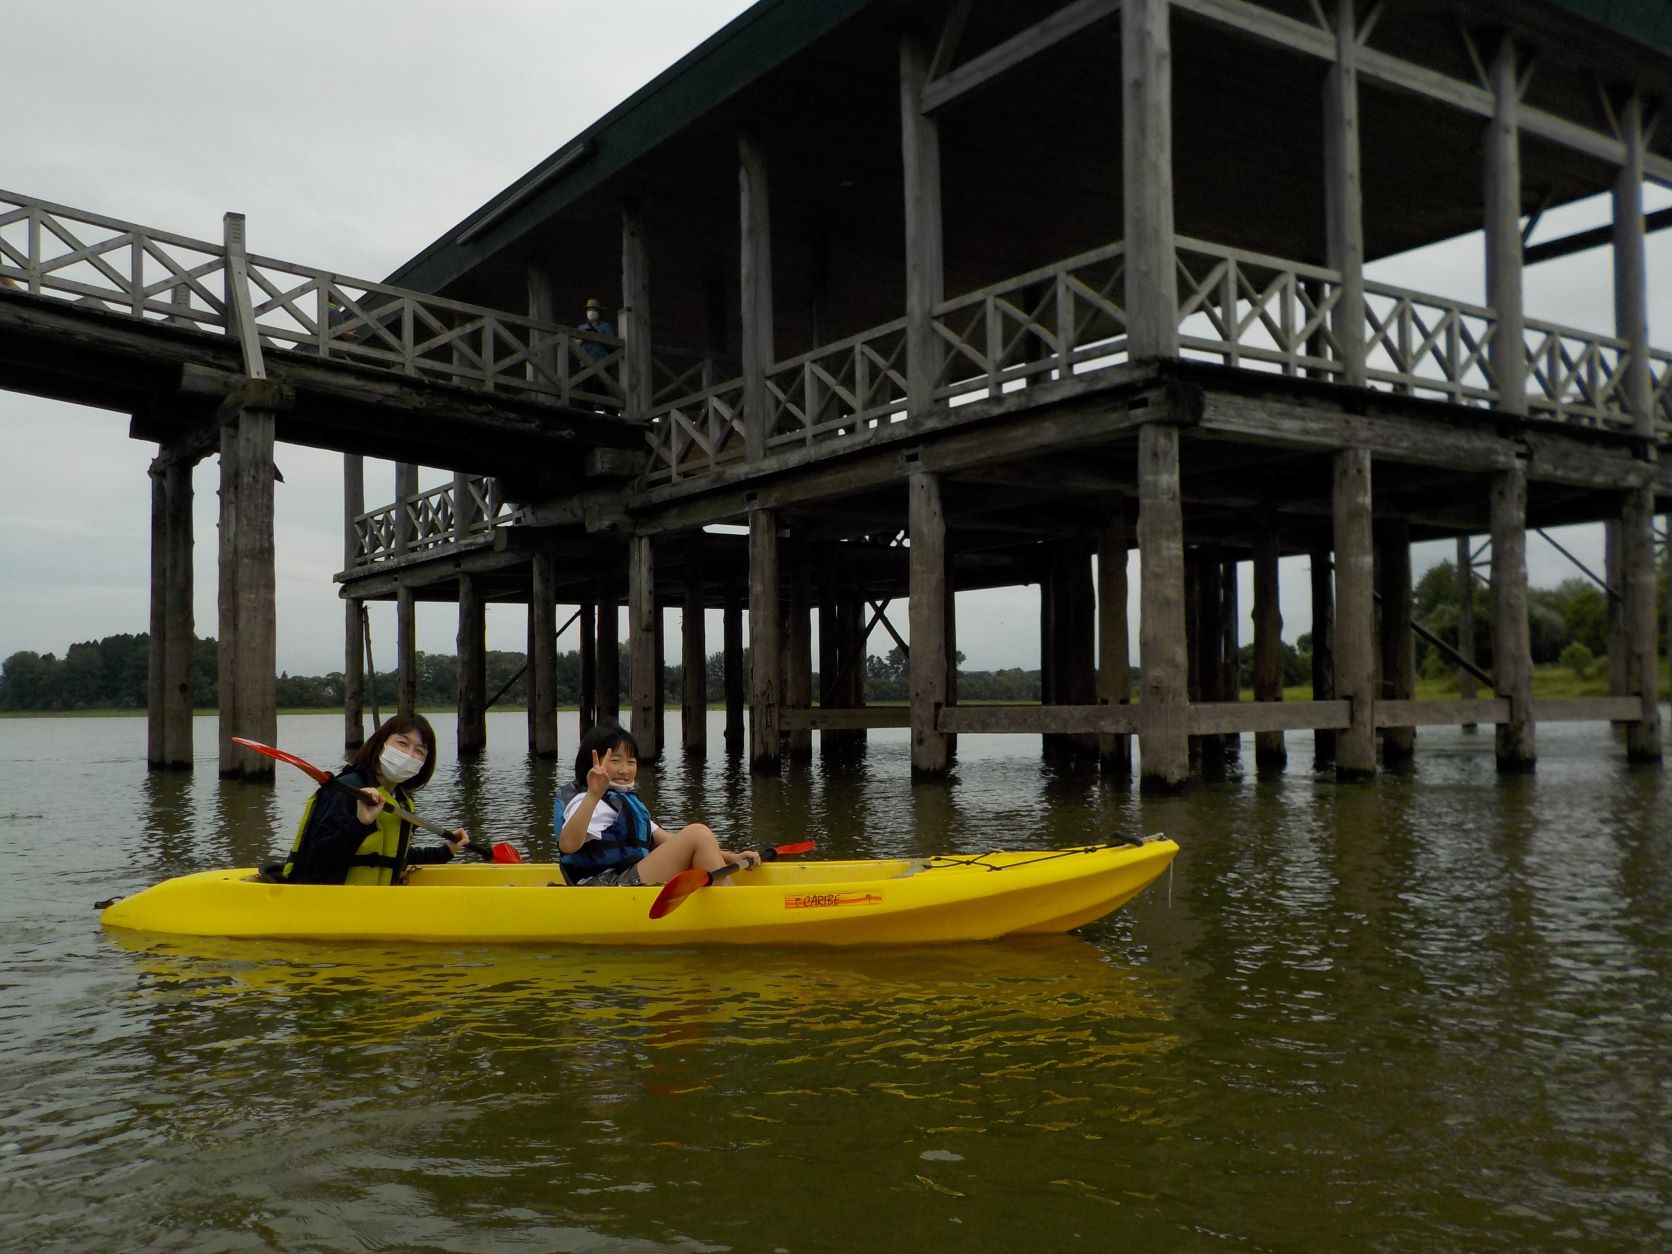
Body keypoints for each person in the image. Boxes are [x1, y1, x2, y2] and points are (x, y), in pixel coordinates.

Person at [556, 722, 757, 887]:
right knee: (698, 833)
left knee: (698, 837)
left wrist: (732, 856)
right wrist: (593, 794)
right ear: (592, 763)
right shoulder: (586, 801)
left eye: (631, 762)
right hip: (605, 888)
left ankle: (724, 898)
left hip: (624, 880)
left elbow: (672, 842)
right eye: (615, 761)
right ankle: (731, 906)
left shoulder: (624, 802)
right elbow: (568, 845)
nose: (624, 770)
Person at [276, 714, 469, 884]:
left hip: (374, 904)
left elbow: (392, 856)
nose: (409, 755)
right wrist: (360, 824)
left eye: (419, 751)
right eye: (402, 743)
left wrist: (446, 851)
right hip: (330, 905)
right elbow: (315, 859)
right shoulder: (347, 790)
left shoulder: (401, 801)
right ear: (381, 744)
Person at [575, 297, 614, 363]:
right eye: (589, 310)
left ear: (599, 312)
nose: (591, 312)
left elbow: (612, 344)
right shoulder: (581, 327)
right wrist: (584, 336)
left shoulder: (606, 326)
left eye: (594, 310)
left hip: (603, 362)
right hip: (585, 362)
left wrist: (597, 336)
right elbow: (575, 345)